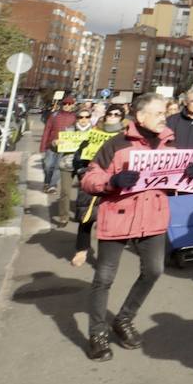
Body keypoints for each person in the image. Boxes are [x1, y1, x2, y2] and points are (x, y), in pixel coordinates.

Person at [79, 93, 176, 362]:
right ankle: (97, 334)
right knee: (104, 278)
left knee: (154, 270)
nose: (163, 117)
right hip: (118, 217)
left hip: (153, 219)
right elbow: (89, 179)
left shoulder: (168, 144)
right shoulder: (116, 144)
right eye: (158, 113)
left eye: (164, 113)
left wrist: (187, 176)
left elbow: (172, 183)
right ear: (141, 116)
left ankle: (123, 319)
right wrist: (112, 181)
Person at [70, 104, 127, 267]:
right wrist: (81, 171)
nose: (113, 116)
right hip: (92, 179)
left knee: (109, 220)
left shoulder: (125, 136)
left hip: (114, 182)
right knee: (86, 216)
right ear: (105, 115)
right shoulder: (94, 132)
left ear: (122, 117)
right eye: (111, 113)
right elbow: (79, 154)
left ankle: (105, 258)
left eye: (117, 114)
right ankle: (81, 249)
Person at [54, 106, 96, 228]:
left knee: (84, 192)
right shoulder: (68, 131)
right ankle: (63, 217)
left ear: (90, 118)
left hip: (85, 165)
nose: (83, 119)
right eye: (80, 117)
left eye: (86, 117)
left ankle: (81, 215)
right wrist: (55, 143)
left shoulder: (95, 132)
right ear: (76, 118)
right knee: (65, 192)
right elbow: (56, 147)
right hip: (68, 164)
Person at [39, 94, 78, 193]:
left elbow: (77, 133)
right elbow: (47, 130)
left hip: (65, 147)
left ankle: (52, 185)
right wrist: (43, 147)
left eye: (70, 104)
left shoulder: (75, 118)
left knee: (57, 167)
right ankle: (47, 183)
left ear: (73, 105)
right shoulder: (54, 115)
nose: (67, 105)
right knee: (48, 166)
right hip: (51, 146)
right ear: (62, 104)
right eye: (65, 103)